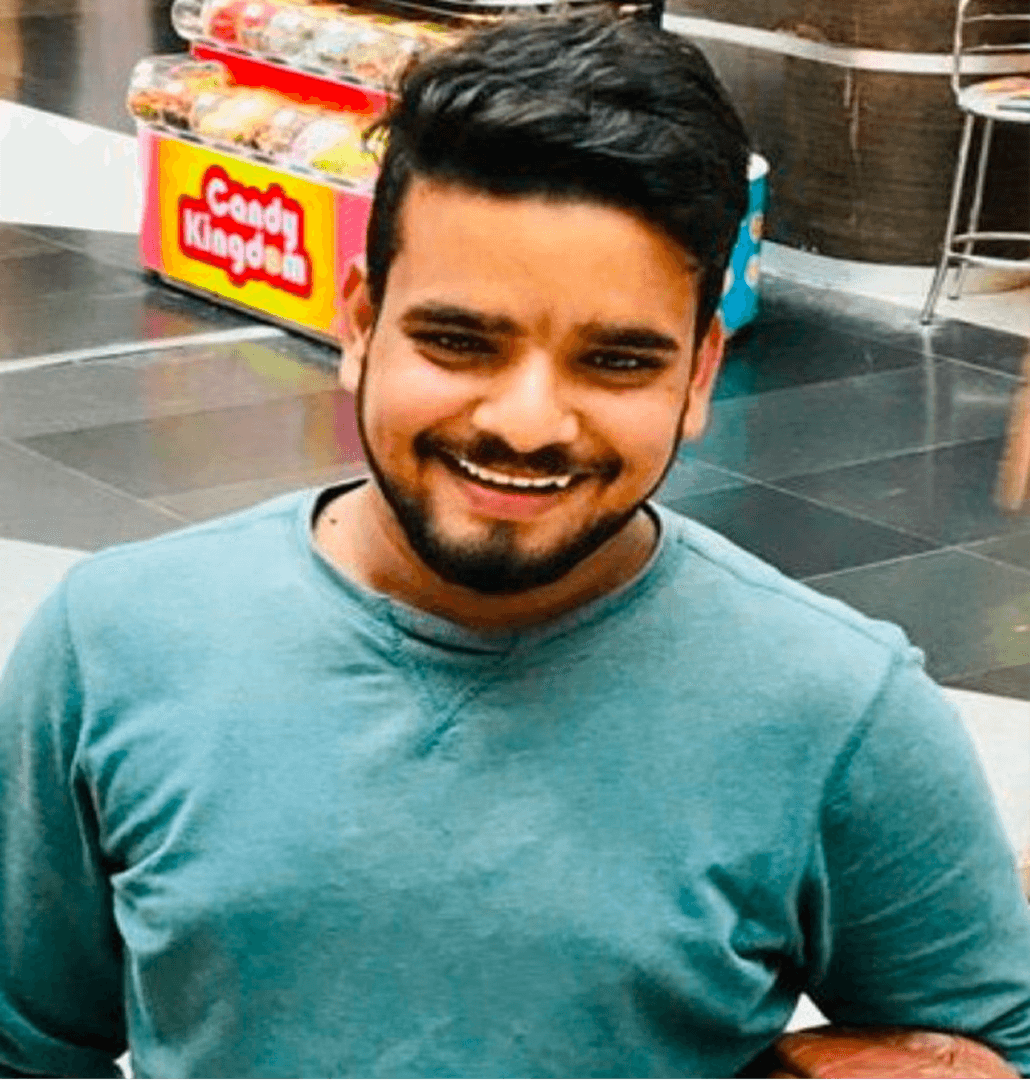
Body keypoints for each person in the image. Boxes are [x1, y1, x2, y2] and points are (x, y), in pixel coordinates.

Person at [1, 12, 1029, 1080]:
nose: (528, 421)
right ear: (361, 322)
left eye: (618, 361)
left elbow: (996, 1045)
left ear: (699, 375)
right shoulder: (117, 643)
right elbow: (24, 1041)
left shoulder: (838, 711)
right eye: (458, 341)